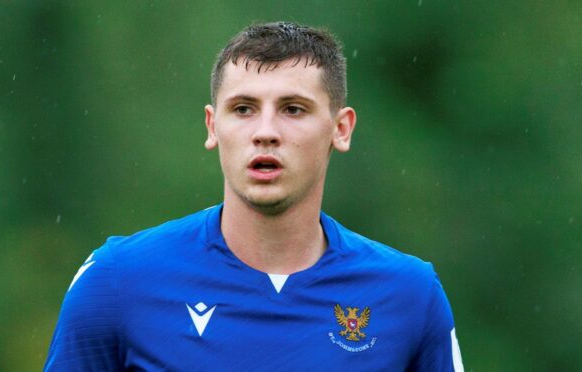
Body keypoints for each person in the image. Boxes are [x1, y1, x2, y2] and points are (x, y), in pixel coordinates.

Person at [44, 21, 464, 371]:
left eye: (293, 109)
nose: (265, 131)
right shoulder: (117, 281)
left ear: (341, 128)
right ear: (213, 126)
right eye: (243, 108)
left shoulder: (410, 295)